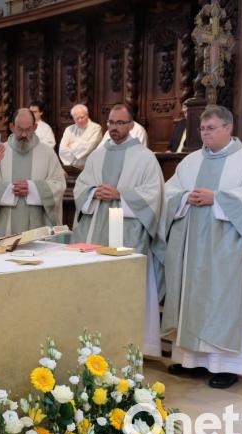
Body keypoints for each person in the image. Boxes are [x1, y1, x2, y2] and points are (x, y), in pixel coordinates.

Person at [160, 105, 242, 389]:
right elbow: (170, 192)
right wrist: (185, 198)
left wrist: (217, 198)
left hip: (228, 247)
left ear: (228, 129)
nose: (205, 133)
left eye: (211, 128)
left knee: (223, 301)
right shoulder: (191, 161)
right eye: (202, 129)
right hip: (191, 243)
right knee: (192, 298)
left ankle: (226, 366)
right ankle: (192, 361)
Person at [70, 104, 166, 356]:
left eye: (120, 123)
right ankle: (94, 341)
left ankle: (130, 343)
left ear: (131, 125)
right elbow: (80, 188)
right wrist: (93, 192)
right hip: (94, 231)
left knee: (126, 290)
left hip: (128, 232)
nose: (114, 128)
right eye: (111, 122)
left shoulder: (145, 157)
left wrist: (120, 196)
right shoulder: (97, 155)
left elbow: (154, 194)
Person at [0, 108, 66, 240]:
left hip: (38, 228)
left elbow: (59, 185)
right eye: (20, 129)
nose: (24, 135)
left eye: (28, 129)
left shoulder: (48, 154)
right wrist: (9, 189)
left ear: (35, 127)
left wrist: (33, 188)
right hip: (4, 230)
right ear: (12, 127)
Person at [57, 104, 103, 168]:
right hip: (71, 168)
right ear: (73, 118)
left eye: (82, 117)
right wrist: (80, 145)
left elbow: (88, 147)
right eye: (77, 118)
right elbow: (62, 150)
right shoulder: (69, 129)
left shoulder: (96, 128)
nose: (80, 120)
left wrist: (71, 146)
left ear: (87, 115)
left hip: (90, 167)